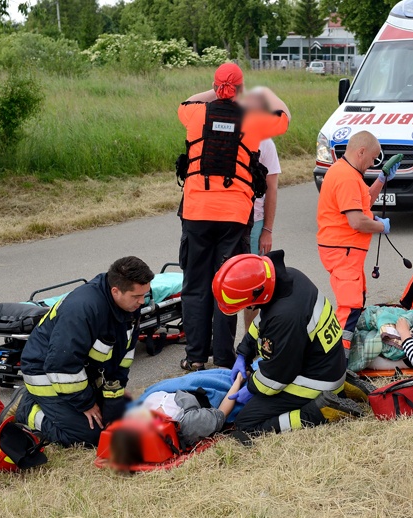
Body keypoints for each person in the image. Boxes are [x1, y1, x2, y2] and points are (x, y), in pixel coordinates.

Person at [177, 63, 291, 371]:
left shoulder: (195, 114)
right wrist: (260, 93)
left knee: (195, 285)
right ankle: (225, 358)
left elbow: (188, 100)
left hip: (196, 213)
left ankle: (196, 357)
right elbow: (284, 117)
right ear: (241, 90)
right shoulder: (254, 121)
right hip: (235, 217)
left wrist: (216, 91)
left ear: (214, 88)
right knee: (226, 284)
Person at [213, 251, 363, 435]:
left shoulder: (286, 316)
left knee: (246, 423)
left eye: (246, 305)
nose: (248, 308)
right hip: (327, 365)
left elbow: (276, 377)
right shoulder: (289, 279)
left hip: (317, 379)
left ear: (258, 293)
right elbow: (262, 321)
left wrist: (251, 389)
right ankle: (340, 388)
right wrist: (244, 352)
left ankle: (320, 411)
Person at [15, 256, 154, 446]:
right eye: (136, 296)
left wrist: (114, 391)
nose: (142, 302)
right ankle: (28, 410)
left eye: (145, 295)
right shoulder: (83, 309)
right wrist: (86, 404)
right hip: (47, 374)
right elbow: (61, 366)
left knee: (116, 423)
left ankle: (60, 407)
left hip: (80, 373)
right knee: (91, 436)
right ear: (115, 291)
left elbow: (125, 352)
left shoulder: (129, 305)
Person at [316, 131, 398, 355]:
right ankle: (337, 362)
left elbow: (363, 205)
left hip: (347, 251)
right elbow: (357, 220)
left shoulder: (347, 173)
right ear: (361, 151)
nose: (372, 164)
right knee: (350, 306)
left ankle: (340, 357)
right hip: (343, 250)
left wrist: (381, 179)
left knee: (356, 301)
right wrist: (381, 226)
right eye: (372, 159)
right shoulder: (346, 177)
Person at [111, 374, 244, 461]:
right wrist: (238, 381)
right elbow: (222, 412)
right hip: (201, 391)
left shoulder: (136, 415)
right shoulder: (189, 425)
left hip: (176, 385)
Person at [240, 90, 282, 332]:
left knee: (251, 286)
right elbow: (272, 189)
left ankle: (247, 342)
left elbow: (271, 189)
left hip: (251, 223)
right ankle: (239, 345)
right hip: (238, 221)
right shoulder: (238, 135)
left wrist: (266, 229)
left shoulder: (264, 142)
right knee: (246, 284)